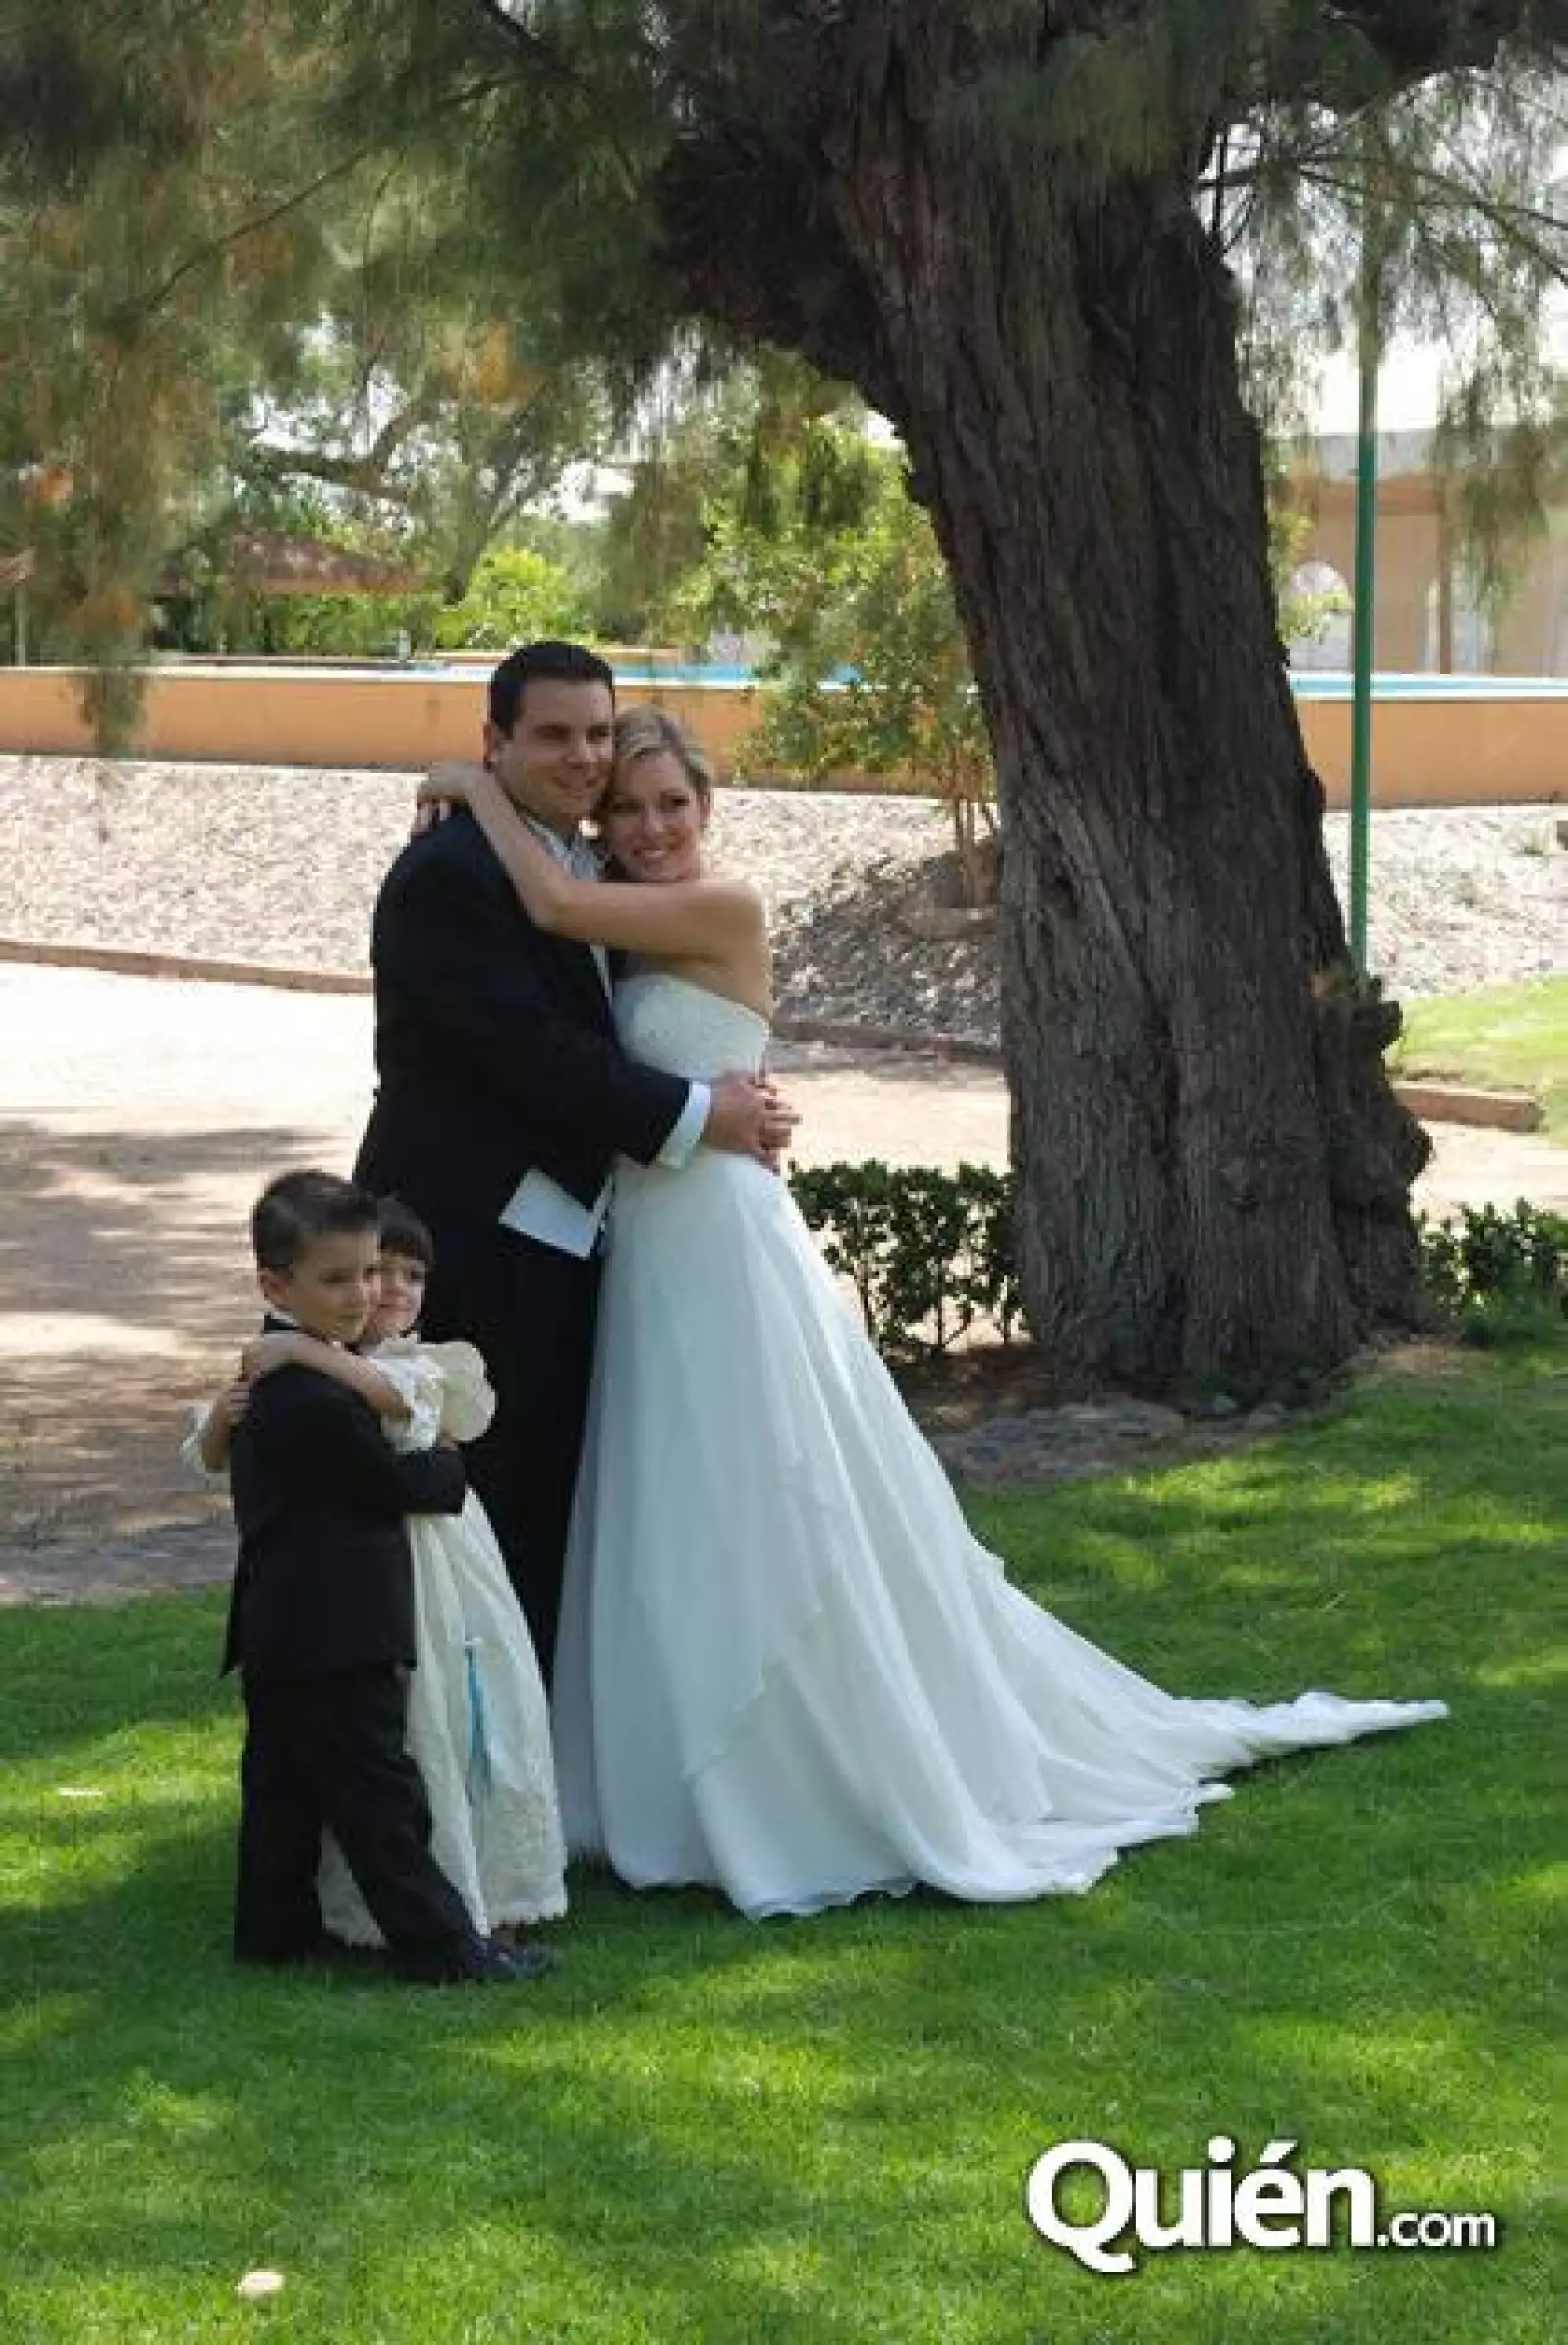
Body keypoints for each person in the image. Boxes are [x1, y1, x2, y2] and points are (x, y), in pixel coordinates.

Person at [419, 712, 1449, 1922]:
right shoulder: (616, 912)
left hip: (721, 1237)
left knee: (762, 1489)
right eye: (629, 808)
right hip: (649, 1238)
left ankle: (806, 1769)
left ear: (708, 806)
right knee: (670, 1495)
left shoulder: (719, 906)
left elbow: (548, 899)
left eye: (672, 803)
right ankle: (671, 1775)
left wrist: (471, 780)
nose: (651, 827)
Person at [354, 640, 795, 1685]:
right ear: (496, 740)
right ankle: (477, 1738)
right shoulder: (452, 872)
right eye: (555, 734)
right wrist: (704, 1109)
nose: (584, 757)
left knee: (617, 1492)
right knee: (493, 1509)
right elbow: (534, 1054)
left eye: (597, 733)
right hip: (477, 1235)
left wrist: (729, 1091)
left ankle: (568, 1727)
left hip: (611, 1234)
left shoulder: (591, 872)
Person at [190, 1197, 567, 1954]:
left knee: (307, 1774)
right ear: (282, 1285)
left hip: (397, 1578)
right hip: (359, 1594)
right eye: (363, 1273)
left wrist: (305, 1353)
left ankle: (288, 1928)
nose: (380, 1290)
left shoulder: (379, 1365)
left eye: (403, 1274)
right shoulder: (297, 1385)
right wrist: (231, 1410)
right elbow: (397, 1476)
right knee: (370, 1773)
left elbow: (414, 1410)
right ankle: (430, 1938)